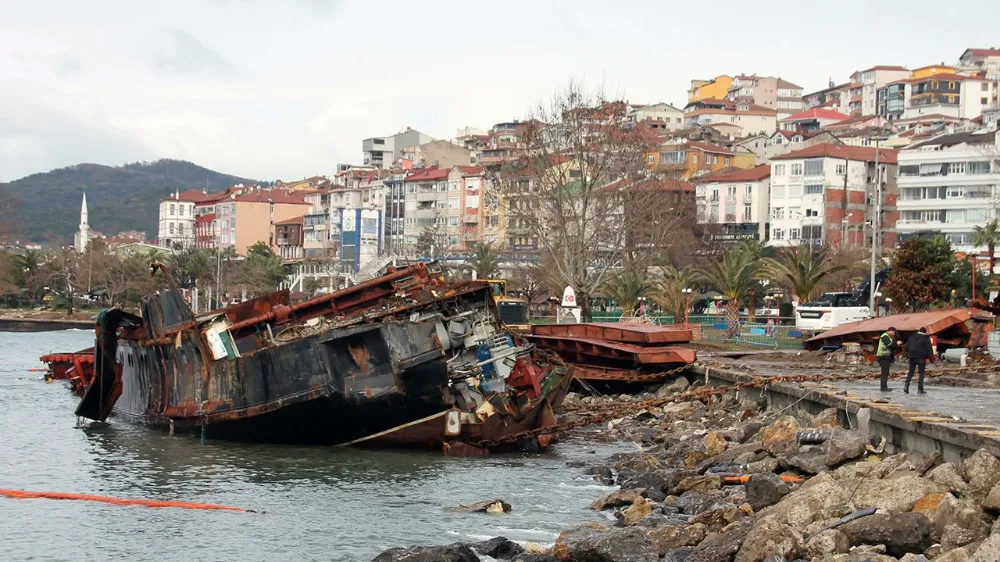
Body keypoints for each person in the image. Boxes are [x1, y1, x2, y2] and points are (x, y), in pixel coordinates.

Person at [905, 327, 933, 395]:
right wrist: (931, 359)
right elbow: (929, 348)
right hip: (921, 357)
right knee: (921, 373)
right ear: (925, 332)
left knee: (911, 372)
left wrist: (907, 355)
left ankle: (906, 386)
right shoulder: (926, 338)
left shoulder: (911, 337)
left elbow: (907, 346)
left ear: (918, 331)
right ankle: (920, 389)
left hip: (912, 357)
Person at [876, 326, 902, 392]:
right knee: (884, 372)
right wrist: (897, 343)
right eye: (894, 332)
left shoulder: (889, 337)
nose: (894, 334)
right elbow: (889, 345)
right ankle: (883, 388)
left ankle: (884, 387)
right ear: (890, 330)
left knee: (886, 372)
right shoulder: (885, 336)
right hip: (883, 356)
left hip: (886, 356)